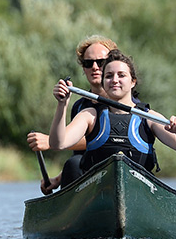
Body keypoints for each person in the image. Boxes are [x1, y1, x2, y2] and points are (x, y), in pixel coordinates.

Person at [48, 50, 176, 182]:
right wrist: (62, 105)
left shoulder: (148, 117)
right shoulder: (89, 115)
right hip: (97, 191)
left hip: (138, 191)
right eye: (109, 76)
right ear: (104, 83)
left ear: (133, 82)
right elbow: (58, 143)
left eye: (121, 75)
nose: (115, 80)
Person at [27, 35, 118, 194]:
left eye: (101, 62)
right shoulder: (80, 106)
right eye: (88, 63)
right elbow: (84, 156)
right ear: (83, 68)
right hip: (93, 181)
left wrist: (50, 141)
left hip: (119, 169)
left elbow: (107, 139)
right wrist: (58, 180)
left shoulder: (124, 102)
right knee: (73, 164)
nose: (95, 67)